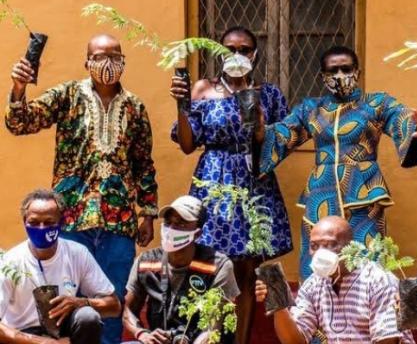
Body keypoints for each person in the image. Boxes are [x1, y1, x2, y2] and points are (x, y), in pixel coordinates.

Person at [6, 34, 158, 344]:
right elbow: (20, 123)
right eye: (101, 56)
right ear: (86, 62)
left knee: (112, 299)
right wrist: (19, 88)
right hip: (70, 218)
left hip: (119, 221)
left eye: (116, 56)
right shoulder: (67, 96)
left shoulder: (135, 107)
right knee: (67, 305)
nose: (108, 63)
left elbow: (143, 163)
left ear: (124, 61)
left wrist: (148, 213)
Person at [256, 45, 417, 279]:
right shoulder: (311, 109)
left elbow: (402, 119)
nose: (340, 75)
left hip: (365, 192)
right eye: (333, 70)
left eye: (346, 69)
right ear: (322, 75)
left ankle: (365, 311)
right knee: (317, 260)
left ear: (357, 71)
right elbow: (280, 136)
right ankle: (316, 312)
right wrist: (257, 128)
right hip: (321, 193)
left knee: (368, 259)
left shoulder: (377, 104)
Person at [170, 26, 291, 344]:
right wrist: (181, 107)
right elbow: (186, 144)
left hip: (254, 184)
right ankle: (208, 339)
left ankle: (240, 341)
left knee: (247, 272)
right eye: (229, 49)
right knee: (209, 265)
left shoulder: (269, 94)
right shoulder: (203, 89)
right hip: (213, 181)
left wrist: (262, 127)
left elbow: (283, 143)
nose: (236, 54)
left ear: (255, 53)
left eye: (244, 49)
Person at [254, 216, 413, 343]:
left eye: (330, 245)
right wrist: (279, 305)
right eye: (314, 246)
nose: (320, 253)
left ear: (350, 247)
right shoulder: (314, 284)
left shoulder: (378, 280)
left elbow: (387, 340)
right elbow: (295, 341)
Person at [0, 189, 121, 344]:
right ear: (24, 223)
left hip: (64, 329)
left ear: (61, 223)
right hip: (23, 335)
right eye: (34, 223)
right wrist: (43, 342)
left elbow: (114, 305)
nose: (42, 228)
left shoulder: (77, 253)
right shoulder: (10, 262)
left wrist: (80, 302)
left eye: (49, 222)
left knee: (88, 317)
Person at [123, 195, 240, 344]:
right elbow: (127, 310)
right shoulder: (145, 261)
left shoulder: (218, 266)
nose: (171, 229)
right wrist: (142, 334)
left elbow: (213, 328)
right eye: (168, 222)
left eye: (181, 224)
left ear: (197, 233)